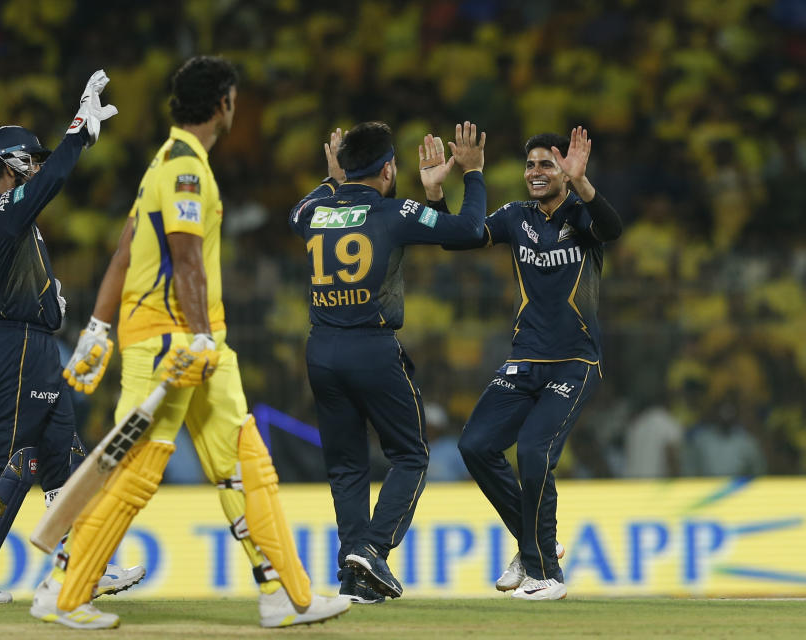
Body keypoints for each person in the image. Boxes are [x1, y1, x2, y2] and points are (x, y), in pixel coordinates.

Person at [36, 55, 351, 630]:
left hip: (196, 341)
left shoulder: (165, 163)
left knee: (245, 463)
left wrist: (101, 327)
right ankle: (65, 590)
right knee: (133, 468)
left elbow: (126, 251)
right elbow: (185, 258)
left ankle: (286, 594)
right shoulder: (185, 169)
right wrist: (199, 336)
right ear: (224, 103)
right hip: (173, 340)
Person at [0, 70, 141, 603]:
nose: (40, 164)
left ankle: (84, 566)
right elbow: (53, 182)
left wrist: (5, 305)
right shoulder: (7, 210)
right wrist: (80, 129)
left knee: (63, 456)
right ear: (12, 165)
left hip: (25, 338)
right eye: (33, 156)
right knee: (11, 458)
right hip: (21, 343)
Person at [288, 121, 487, 602]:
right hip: (371, 349)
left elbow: (296, 213)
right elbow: (469, 231)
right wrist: (473, 173)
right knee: (412, 453)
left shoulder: (314, 211)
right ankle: (374, 549)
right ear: (389, 169)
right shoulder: (394, 212)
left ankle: (355, 573)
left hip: (321, 350)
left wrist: (333, 178)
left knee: (347, 466)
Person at [453, 127, 623, 600]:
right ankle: (533, 546)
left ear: (565, 172)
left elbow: (612, 229)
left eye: (546, 164)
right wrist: (452, 185)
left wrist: (584, 185)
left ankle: (546, 573)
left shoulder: (581, 216)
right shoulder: (515, 216)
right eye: (530, 165)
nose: (535, 172)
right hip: (524, 361)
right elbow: (462, 236)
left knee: (532, 451)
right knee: (476, 446)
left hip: (575, 362)